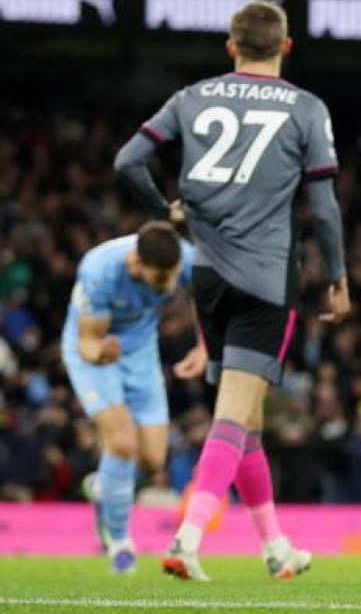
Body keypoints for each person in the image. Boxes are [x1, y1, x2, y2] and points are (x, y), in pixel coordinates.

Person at [114, 0, 351, 581]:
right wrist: (338, 277)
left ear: (231, 47)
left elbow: (128, 162)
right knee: (233, 414)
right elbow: (323, 208)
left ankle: (276, 548)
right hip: (266, 281)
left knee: (246, 422)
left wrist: (164, 212)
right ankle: (188, 537)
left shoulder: (191, 97)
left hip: (208, 280)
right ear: (286, 47)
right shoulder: (306, 107)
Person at [65, 222, 200, 574]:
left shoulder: (183, 257)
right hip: (96, 352)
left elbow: (206, 294)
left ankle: (104, 487)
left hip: (141, 354)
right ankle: (119, 542)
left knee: (153, 460)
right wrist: (100, 353)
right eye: (161, 279)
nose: (168, 286)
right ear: (136, 263)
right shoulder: (99, 269)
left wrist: (203, 346)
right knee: (122, 443)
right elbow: (87, 341)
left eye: (173, 277)